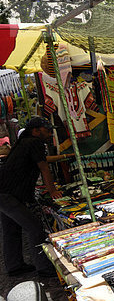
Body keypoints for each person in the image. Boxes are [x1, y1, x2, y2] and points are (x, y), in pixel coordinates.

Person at [0, 117, 62, 277]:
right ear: (36, 131)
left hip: (6, 192)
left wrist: (61, 158)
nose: (49, 134)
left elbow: (40, 162)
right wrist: (53, 191)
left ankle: (14, 266)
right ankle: (44, 268)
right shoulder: (34, 143)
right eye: (47, 130)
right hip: (9, 195)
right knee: (35, 228)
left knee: (11, 230)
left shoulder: (23, 142)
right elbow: (44, 167)